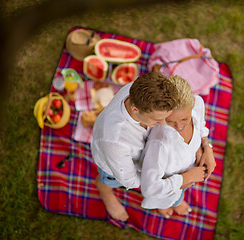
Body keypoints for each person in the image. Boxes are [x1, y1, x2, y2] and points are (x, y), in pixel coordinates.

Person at [91, 72, 179, 221]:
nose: (163, 124)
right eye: (157, 119)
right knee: (108, 180)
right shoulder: (115, 141)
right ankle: (104, 192)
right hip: (113, 166)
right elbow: (129, 180)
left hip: (139, 153)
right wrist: (158, 181)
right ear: (135, 109)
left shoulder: (139, 89)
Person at [140, 75, 216, 219]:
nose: (179, 127)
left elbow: (200, 124)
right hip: (169, 183)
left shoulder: (197, 103)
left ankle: (176, 201)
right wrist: (186, 178)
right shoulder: (159, 143)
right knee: (167, 198)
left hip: (188, 172)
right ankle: (164, 205)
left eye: (184, 119)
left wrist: (206, 147)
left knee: (178, 196)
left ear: (192, 103)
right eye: (170, 121)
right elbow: (150, 188)